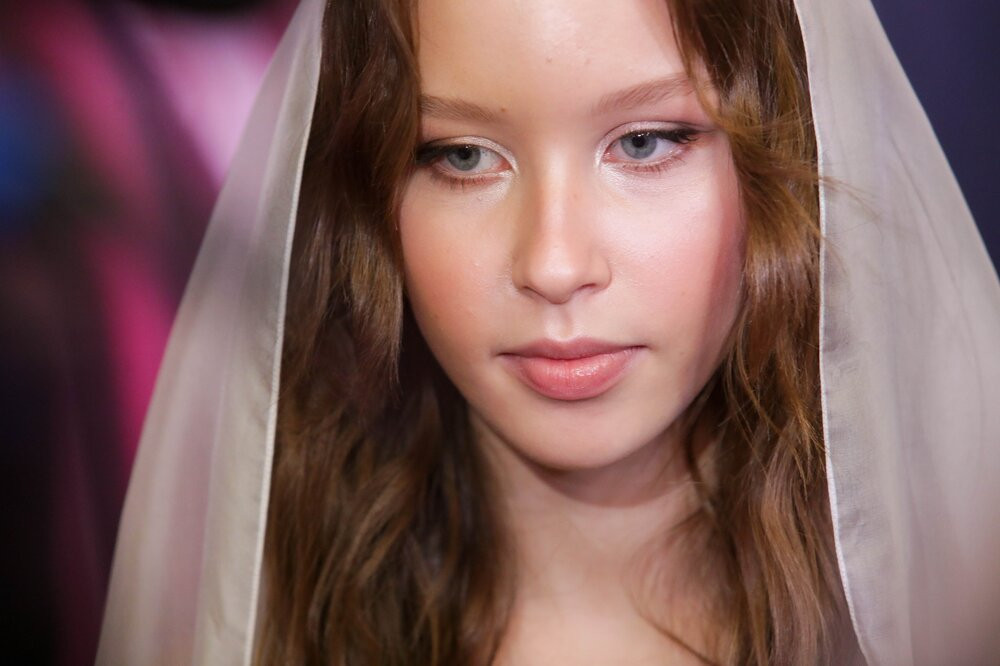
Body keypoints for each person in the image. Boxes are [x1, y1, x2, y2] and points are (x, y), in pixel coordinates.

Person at [97, 0, 1000, 664]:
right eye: (463, 156)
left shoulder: (951, 617)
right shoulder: (256, 625)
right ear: (371, 200)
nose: (555, 264)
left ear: (786, 160)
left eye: (645, 143)